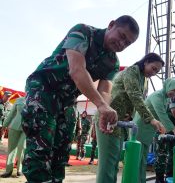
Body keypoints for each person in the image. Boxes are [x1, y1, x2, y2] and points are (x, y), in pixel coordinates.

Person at [21, 15, 140, 183]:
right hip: (44, 88)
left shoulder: (112, 62)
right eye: (121, 36)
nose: (122, 44)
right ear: (111, 25)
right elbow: (77, 70)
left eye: (127, 43)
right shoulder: (83, 32)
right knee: (40, 149)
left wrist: (104, 111)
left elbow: (105, 90)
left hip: (67, 101)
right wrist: (100, 105)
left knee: (61, 152)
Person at [96, 53, 166, 183]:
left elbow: (132, 100)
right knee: (107, 164)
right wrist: (151, 119)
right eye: (154, 68)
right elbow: (135, 96)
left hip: (120, 122)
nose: (154, 73)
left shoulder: (142, 79)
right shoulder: (132, 71)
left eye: (157, 71)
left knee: (114, 163)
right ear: (146, 62)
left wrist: (130, 114)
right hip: (107, 119)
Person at [133, 78, 175, 183]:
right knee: (136, 158)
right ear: (168, 86)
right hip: (140, 127)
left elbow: (161, 116)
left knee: (143, 159)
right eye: (174, 90)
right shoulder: (157, 95)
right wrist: (174, 130)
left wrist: (165, 128)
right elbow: (162, 114)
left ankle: (140, 180)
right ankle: (132, 179)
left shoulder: (166, 98)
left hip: (149, 129)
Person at [0, 97, 26, 178]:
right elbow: (11, 114)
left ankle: (20, 170)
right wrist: (4, 126)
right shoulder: (19, 100)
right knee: (11, 148)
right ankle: (8, 171)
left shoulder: (37, 100)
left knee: (22, 147)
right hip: (14, 126)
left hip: (28, 128)